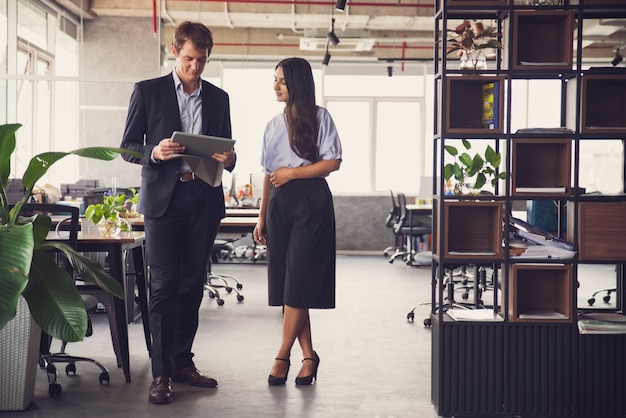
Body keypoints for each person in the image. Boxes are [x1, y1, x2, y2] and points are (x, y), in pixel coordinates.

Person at [120, 21, 235, 404]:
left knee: (191, 286)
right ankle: (162, 373)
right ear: (175, 51)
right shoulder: (148, 92)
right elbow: (128, 148)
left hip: (203, 200)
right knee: (164, 287)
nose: (195, 67)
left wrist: (230, 158)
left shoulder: (218, 98)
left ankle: (183, 361)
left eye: (201, 60)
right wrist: (154, 151)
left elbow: (227, 154)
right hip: (163, 204)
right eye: (189, 59)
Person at [252, 57, 342, 386]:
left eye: (282, 81)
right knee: (289, 283)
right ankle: (309, 357)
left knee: (299, 280)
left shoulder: (321, 117)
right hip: (279, 205)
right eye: (274, 80)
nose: (276, 86)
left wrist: (294, 172)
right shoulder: (272, 125)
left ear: (298, 84)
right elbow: (267, 174)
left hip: (311, 202)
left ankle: (282, 355)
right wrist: (261, 216)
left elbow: (333, 162)